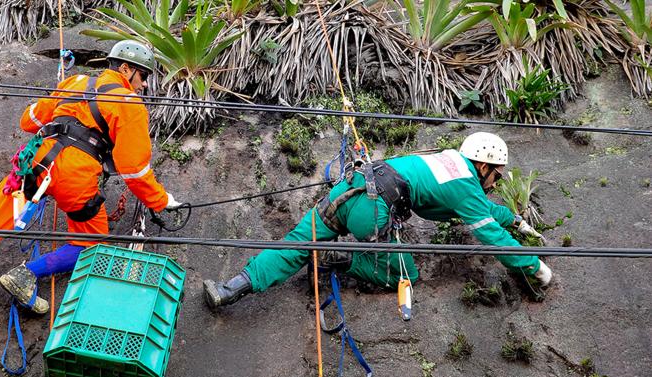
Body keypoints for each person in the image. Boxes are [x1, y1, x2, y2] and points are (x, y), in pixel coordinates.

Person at [0, 40, 183, 345]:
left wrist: (62, 101)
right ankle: (27, 274)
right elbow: (134, 169)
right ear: (126, 68)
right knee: (90, 243)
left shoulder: (75, 81)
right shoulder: (130, 105)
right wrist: (162, 201)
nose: (144, 84)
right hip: (77, 180)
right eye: (142, 75)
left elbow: (29, 121)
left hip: (35, 167)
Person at [204, 132, 552, 309]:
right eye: (497, 176)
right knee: (406, 274)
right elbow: (491, 235)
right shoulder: (467, 186)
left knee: (294, 244)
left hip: (352, 187)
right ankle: (336, 258)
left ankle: (230, 289)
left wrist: (516, 221)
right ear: (484, 166)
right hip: (373, 208)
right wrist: (534, 266)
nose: (496, 184)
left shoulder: (448, 163)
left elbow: (489, 214)